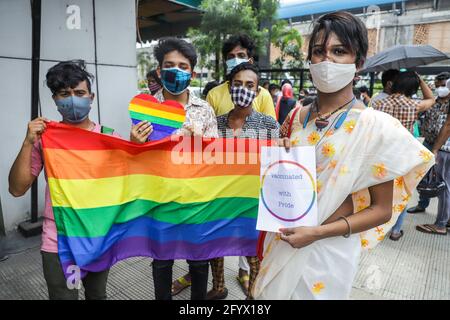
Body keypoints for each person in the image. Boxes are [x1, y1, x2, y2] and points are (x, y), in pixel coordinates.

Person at [253, 11, 434, 300]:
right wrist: (280, 157)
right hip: (283, 239)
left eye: (339, 51)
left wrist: (316, 233)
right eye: (318, 51)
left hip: (328, 251)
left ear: (358, 62)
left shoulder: (376, 126)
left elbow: (381, 210)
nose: (327, 60)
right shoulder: (296, 117)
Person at [8, 60, 121, 300]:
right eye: (64, 94)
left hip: (98, 238)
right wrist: (28, 142)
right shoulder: (45, 139)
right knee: (64, 297)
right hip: (59, 242)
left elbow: (133, 185)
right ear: (55, 100)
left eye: (79, 93)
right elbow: (17, 189)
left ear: (91, 97)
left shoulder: (109, 138)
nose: (72, 99)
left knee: (96, 296)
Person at [130, 37, 218, 300]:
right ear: (159, 70)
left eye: (183, 66)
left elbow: (216, 162)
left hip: (197, 200)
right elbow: (135, 161)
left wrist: (202, 145)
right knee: (161, 261)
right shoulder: (145, 108)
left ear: (191, 72)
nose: (176, 71)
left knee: (200, 261)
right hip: (159, 199)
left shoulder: (204, 110)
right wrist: (135, 144)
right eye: (170, 65)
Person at [207, 63, 280, 300]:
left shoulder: (268, 126)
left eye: (250, 85)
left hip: (252, 202)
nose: (243, 89)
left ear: (257, 92)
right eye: (237, 84)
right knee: (216, 248)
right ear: (229, 88)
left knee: (253, 252)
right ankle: (218, 287)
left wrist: (286, 147)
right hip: (220, 198)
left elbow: (278, 162)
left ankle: (253, 296)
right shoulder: (214, 125)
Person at [373, 71, 435, 240]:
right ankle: (395, 231)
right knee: (402, 192)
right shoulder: (413, 105)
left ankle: (376, 227)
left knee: (379, 191)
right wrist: (420, 79)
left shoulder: (378, 104)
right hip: (403, 156)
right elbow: (432, 99)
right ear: (412, 88)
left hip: (381, 155)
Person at [408, 72, 450, 214]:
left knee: (442, 180)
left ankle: (444, 214)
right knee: (423, 175)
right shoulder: (432, 101)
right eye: (437, 86)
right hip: (427, 143)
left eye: (443, 86)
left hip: (444, 147)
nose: (440, 89)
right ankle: (422, 204)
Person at [206, 34, 276, 119]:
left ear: (250, 61)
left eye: (241, 55)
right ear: (226, 62)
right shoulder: (213, 95)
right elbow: (208, 127)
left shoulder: (263, 95)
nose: (235, 60)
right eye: (231, 57)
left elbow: (270, 128)